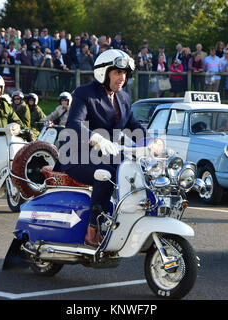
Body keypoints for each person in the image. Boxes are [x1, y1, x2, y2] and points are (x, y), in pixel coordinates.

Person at [60, 49, 146, 246]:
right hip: (77, 156)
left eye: (124, 73)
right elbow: (73, 124)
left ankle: (124, 220)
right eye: (117, 72)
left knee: (135, 171)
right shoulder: (84, 94)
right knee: (106, 175)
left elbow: (133, 125)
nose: (122, 78)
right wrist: (96, 138)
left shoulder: (123, 97)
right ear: (104, 73)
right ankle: (92, 230)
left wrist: (151, 143)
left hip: (108, 155)